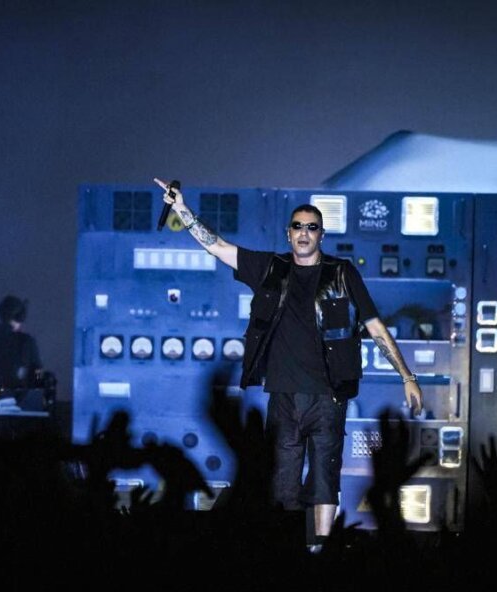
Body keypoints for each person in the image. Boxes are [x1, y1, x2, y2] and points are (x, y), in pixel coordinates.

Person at [154, 178, 423, 545]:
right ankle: (288, 554)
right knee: (282, 483)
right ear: (289, 232)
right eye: (298, 226)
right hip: (283, 396)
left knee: (325, 479)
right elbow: (217, 246)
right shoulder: (271, 268)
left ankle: (323, 553)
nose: (304, 233)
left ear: (321, 235)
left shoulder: (342, 273)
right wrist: (182, 209)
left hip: (328, 395)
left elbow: (374, 325)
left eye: (312, 227)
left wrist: (406, 375)